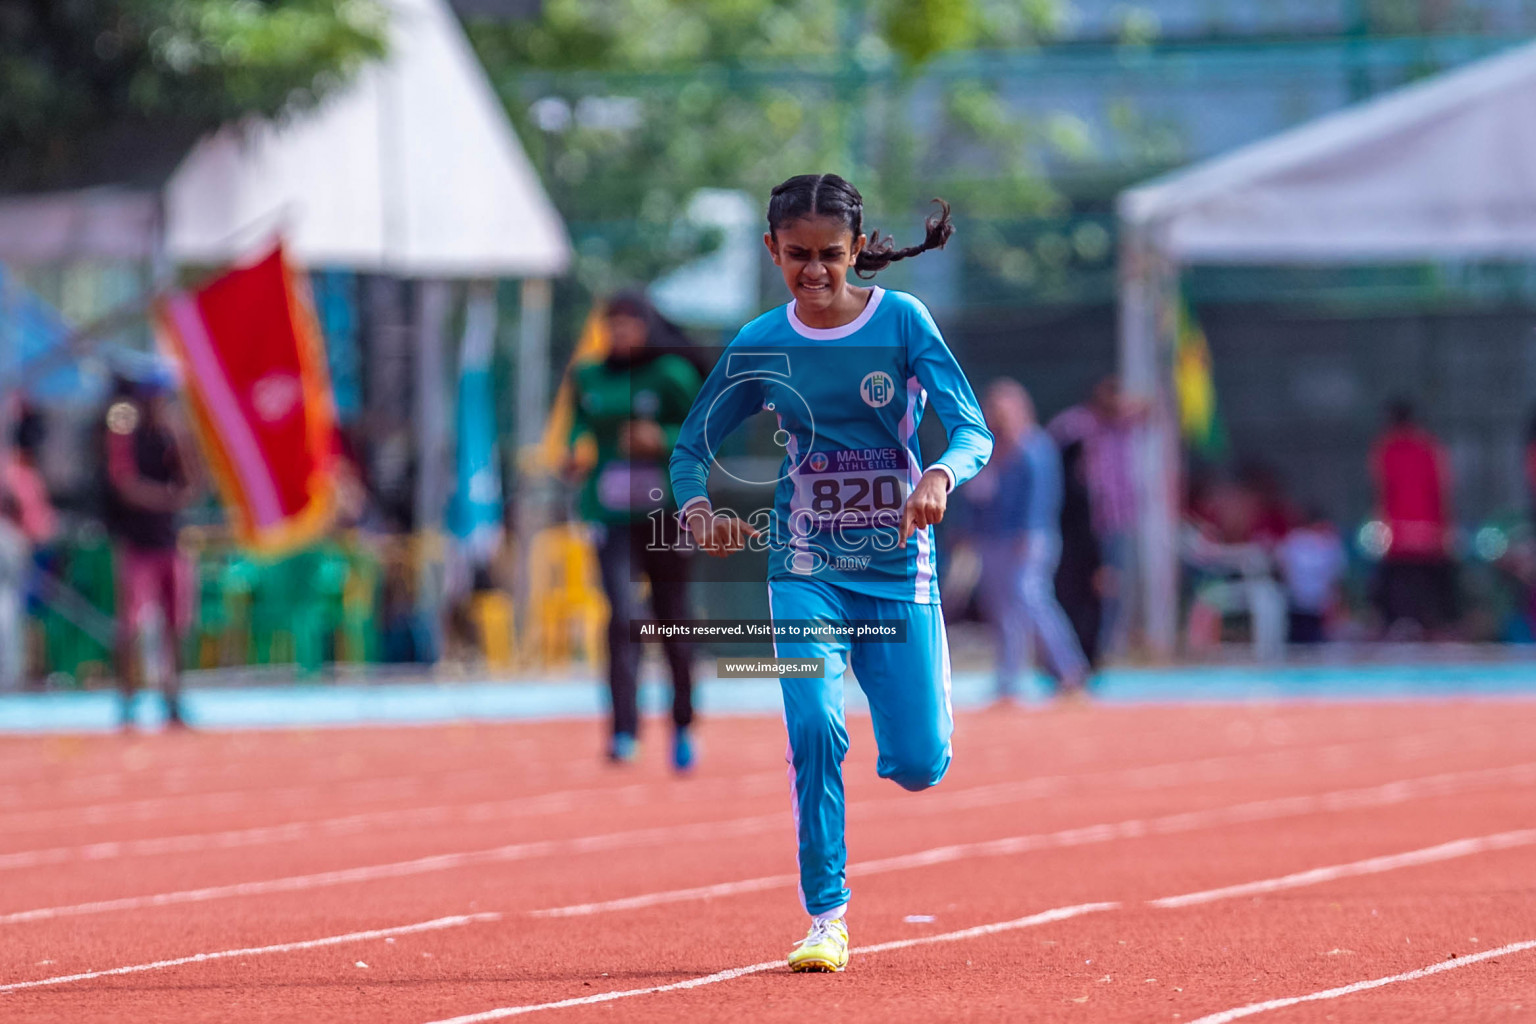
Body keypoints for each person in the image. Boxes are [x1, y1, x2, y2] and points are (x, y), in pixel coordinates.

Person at [670, 174, 992, 973]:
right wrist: (697, 510)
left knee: (919, 765)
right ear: (772, 249)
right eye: (799, 256)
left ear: (858, 251)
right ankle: (827, 917)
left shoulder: (903, 323)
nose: (815, 273)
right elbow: (689, 451)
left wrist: (938, 477)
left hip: (896, 572)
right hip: (803, 565)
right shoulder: (759, 344)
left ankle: (913, 736)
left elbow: (972, 430)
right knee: (813, 725)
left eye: (832, 257)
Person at [568, 291, 704, 770]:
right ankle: (624, 730)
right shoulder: (587, 376)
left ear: (646, 327)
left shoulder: (671, 375)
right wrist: (573, 453)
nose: (620, 335)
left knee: (672, 619)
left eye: (629, 325)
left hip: (666, 512)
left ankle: (683, 725)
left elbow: (704, 430)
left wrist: (661, 438)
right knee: (622, 616)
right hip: (609, 515)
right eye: (612, 325)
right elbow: (577, 427)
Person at [967, 379, 1088, 700]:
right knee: (1001, 612)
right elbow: (975, 497)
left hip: (1030, 540)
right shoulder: (986, 448)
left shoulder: (1035, 446)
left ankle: (1069, 670)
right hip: (992, 540)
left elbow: (1044, 496)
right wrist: (965, 531)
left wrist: (1029, 531)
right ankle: (1008, 680)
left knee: (1032, 600)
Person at [103, 373, 200, 728]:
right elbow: (125, 486)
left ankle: (172, 697)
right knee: (132, 625)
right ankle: (128, 700)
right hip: (137, 546)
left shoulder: (170, 439)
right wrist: (166, 499)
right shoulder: (125, 436)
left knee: (177, 626)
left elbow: (194, 485)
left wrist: (182, 439)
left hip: (170, 544)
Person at [1048, 376, 1143, 659]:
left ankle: (1102, 649)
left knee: (1110, 590)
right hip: (1081, 525)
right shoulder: (1078, 427)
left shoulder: (1121, 429)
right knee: (1079, 590)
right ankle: (1078, 652)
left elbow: (1149, 410)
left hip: (1114, 524)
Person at [1369, 399, 1456, 638]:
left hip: (1399, 530)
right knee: (1424, 581)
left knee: (1402, 581)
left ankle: (1406, 624)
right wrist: (1445, 527)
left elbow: (1383, 491)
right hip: (1427, 529)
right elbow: (1441, 489)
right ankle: (1429, 625)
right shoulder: (1429, 446)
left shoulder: (1386, 448)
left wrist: (1383, 527)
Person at [0, 407, 57, 690]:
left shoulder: (21, 474)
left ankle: (16, 674)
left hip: (21, 549)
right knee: (10, 613)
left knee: (18, 614)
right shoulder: (15, 473)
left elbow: (40, 525)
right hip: (13, 545)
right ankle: (12, 676)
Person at [1054, 438, 1103, 668]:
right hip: (1077, 565)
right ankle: (1076, 664)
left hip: (1073, 564)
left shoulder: (1072, 490)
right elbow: (1087, 535)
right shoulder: (1076, 493)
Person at [1275, 508, 1346, 644]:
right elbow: (1282, 569)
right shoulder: (1295, 540)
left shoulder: (1330, 542)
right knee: (1297, 644)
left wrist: (1334, 604)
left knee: (1319, 644)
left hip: (1320, 606)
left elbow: (1336, 578)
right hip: (1297, 605)